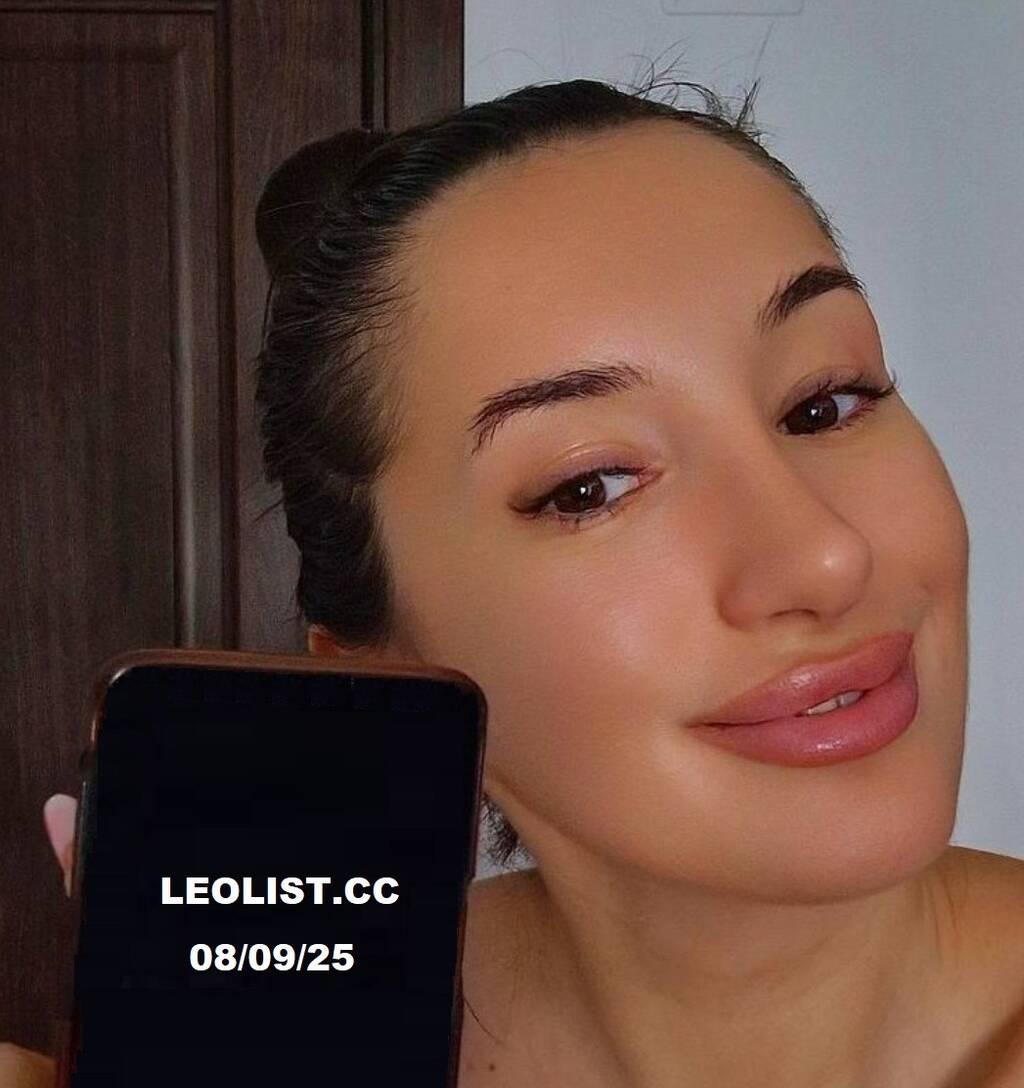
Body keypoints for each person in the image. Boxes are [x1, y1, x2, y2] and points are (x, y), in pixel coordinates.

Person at [8, 75, 1024, 1086]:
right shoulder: (298, 1044)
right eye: (591, 485)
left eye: (825, 403)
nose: (826, 557)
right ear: (384, 674)